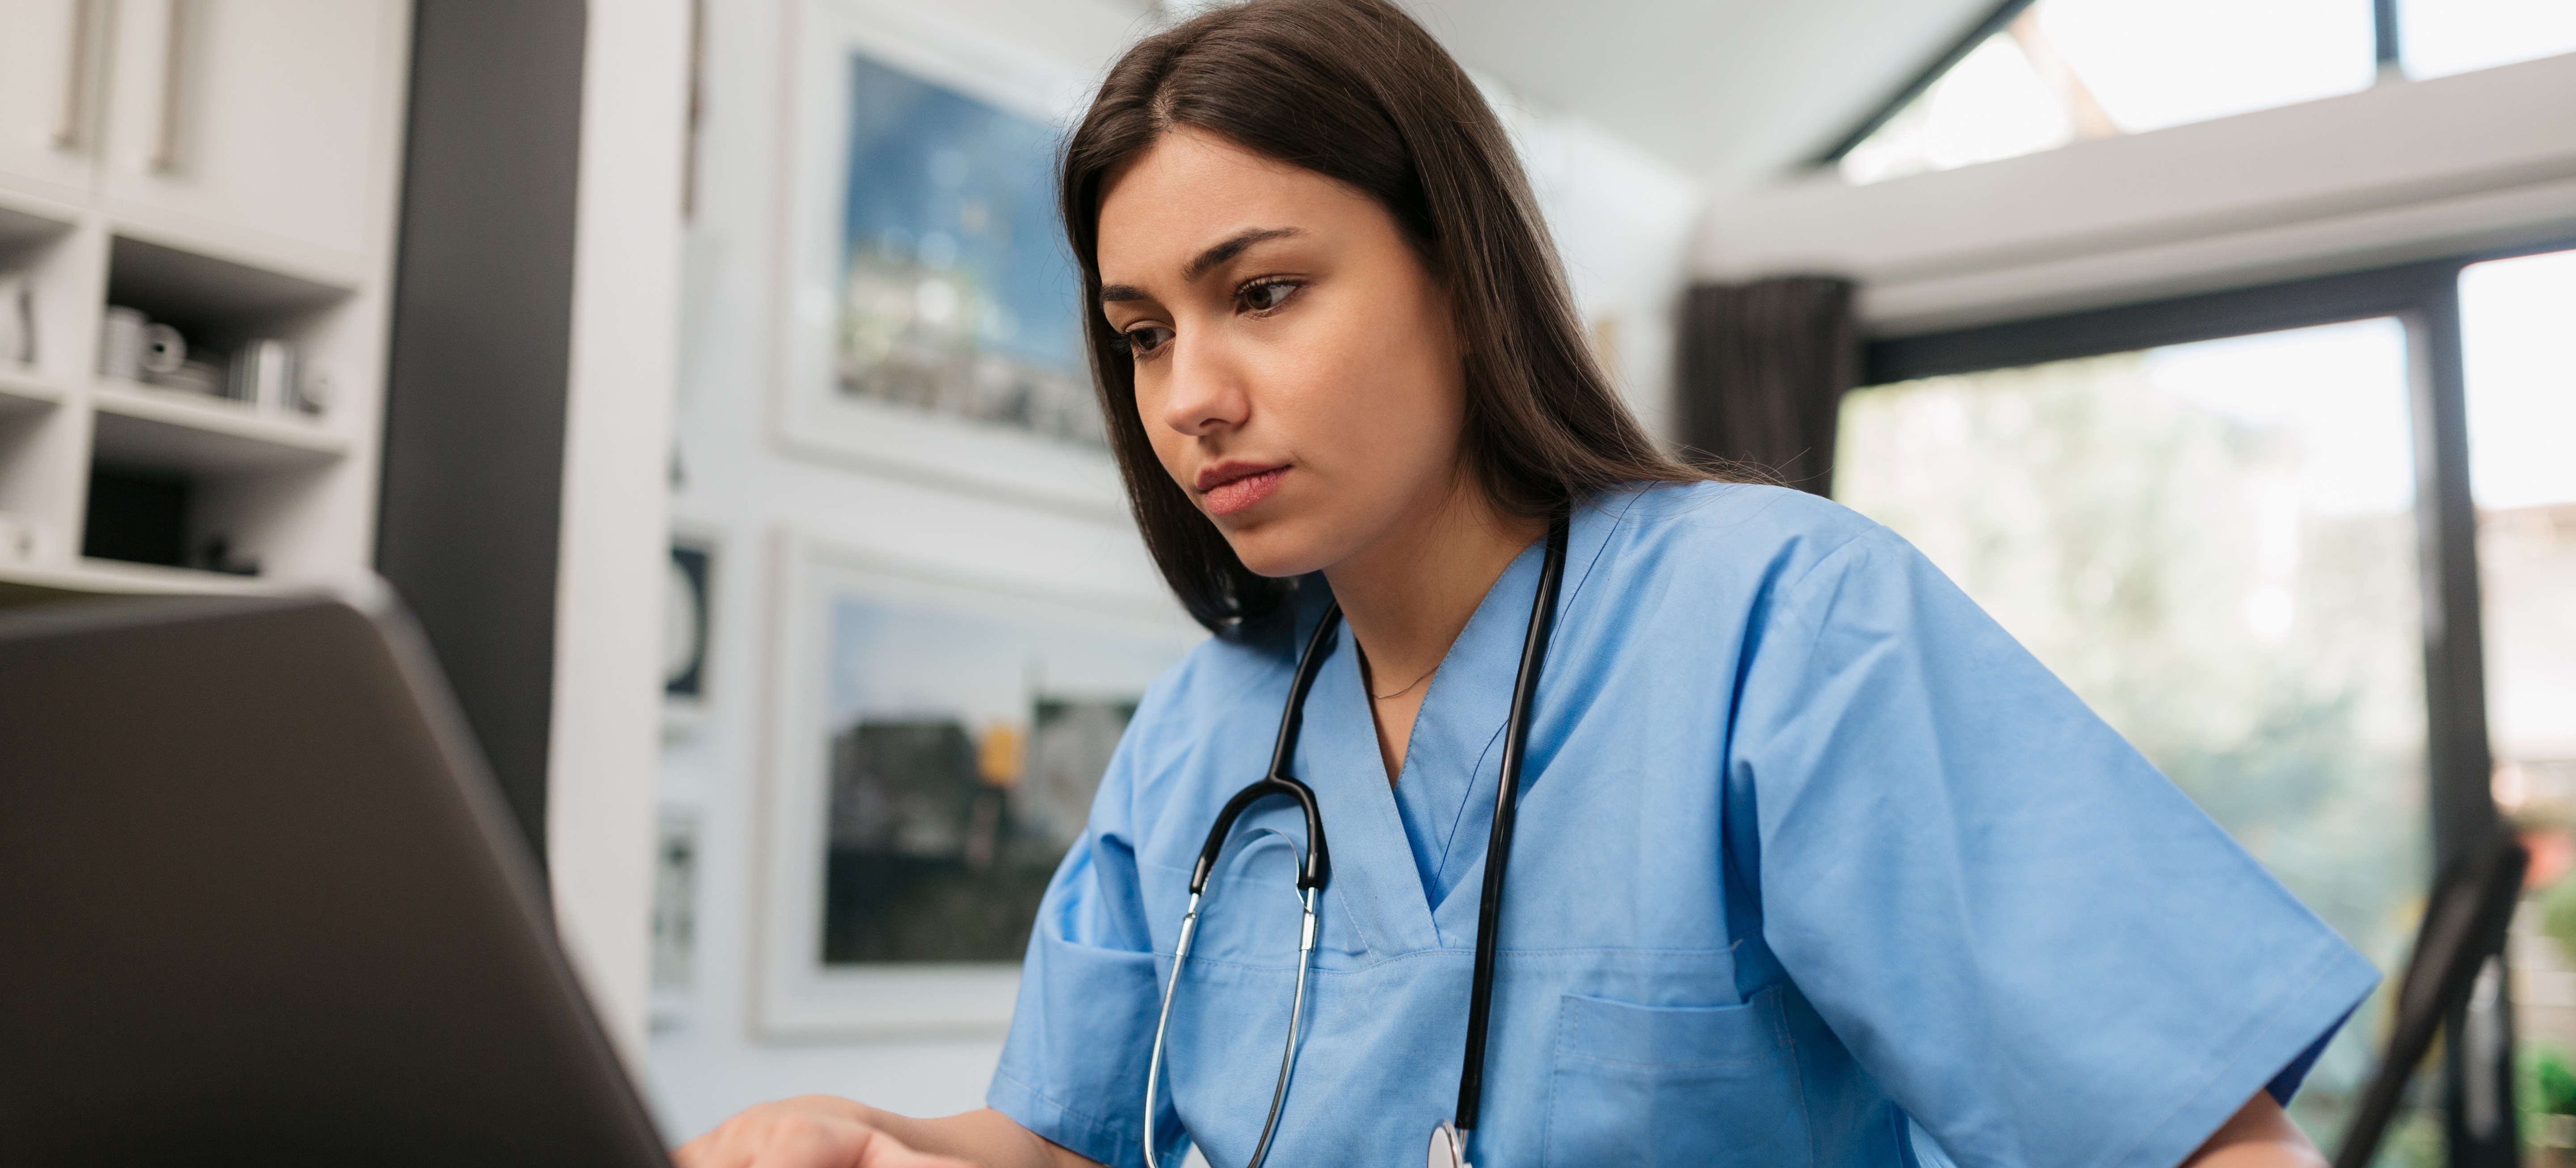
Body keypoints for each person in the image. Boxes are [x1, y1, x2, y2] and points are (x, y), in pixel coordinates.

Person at [677, 1, 2376, 1164]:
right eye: (1142, 333)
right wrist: (869, 1138)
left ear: (1461, 278)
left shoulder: (1782, 623)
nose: (1189, 390)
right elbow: (1065, 1136)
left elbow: (2190, 1133)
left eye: (1258, 293)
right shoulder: (1209, 733)